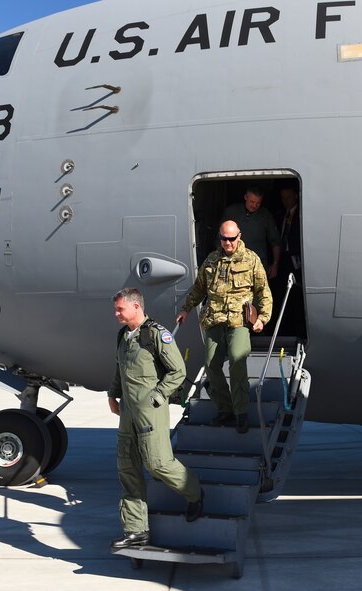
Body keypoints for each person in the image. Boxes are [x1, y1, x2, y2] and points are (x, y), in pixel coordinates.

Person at [107, 288, 203, 550]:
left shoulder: (157, 334)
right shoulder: (123, 337)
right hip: (128, 413)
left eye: (120, 309)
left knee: (158, 463)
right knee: (128, 469)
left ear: (136, 307)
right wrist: (113, 394)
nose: (116, 314)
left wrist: (157, 397)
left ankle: (194, 492)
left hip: (150, 411)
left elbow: (177, 371)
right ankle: (136, 531)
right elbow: (120, 369)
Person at [176, 220, 273, 434]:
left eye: (231, 239)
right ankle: (225, 410)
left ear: (239, 236)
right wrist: (186, 309)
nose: (228, 243)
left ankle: (240, 414)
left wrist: (262, 318)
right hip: (214, 320)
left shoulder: (251, 259)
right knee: (211, 366)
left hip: (239, 322)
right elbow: (199, 288)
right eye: (224, 239)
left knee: (238, 362)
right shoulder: (212, 260)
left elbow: (263, 291)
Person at [222, 187, 281, 279]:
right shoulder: (232, 212)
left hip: (258, 267)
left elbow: (275, 242)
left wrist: (275, 265)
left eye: (258, 203)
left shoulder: (265, 215)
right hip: (234, 266)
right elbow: (220, 238)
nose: (254, 206)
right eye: (252, 202)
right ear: (245, 197)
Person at [272, 185, 306, 337]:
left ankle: (299, 332)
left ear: (296, 196)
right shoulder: (280, 216)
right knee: (281, 294)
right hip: (283, 260)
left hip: (298, 262)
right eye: (283, 198)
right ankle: (284, 331)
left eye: (289, 197)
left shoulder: (302, 214)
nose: (286, 201)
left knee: (297, 298)